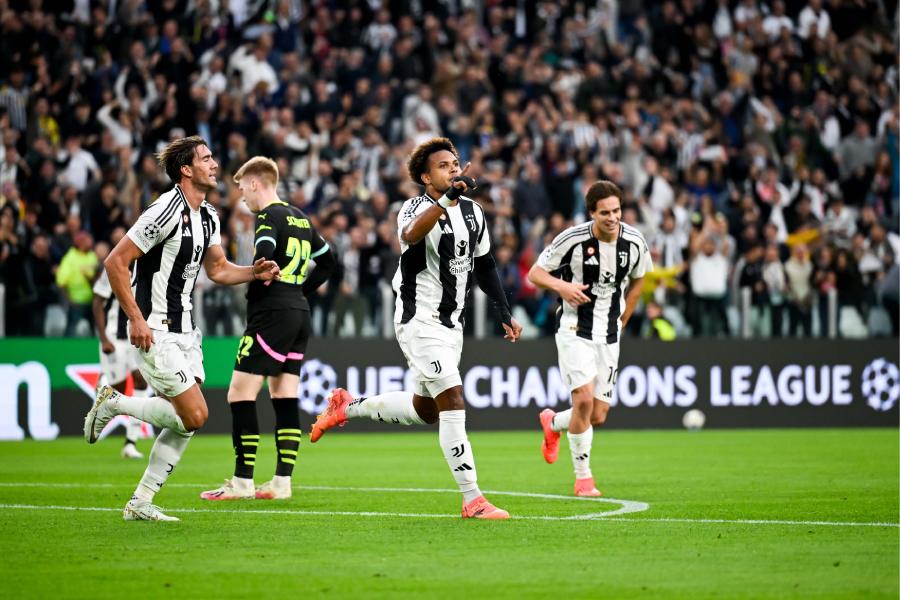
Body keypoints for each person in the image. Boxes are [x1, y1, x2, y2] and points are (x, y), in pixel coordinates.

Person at [309, 137, 522, 520]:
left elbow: (486, 263)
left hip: (451, 324)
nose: (454, 169)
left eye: (455, 163)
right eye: (444, 166)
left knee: (427, 410)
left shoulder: (474, 212)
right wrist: (446, 200)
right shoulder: (415, 206)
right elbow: (409, 235)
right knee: (453, 400)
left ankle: (348, 407)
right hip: (418, 320)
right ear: (425, 177)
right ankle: (473, 498)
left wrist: (502, 309)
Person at [82, 136, 280, 522]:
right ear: (186, 170)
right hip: (156, 327)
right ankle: (114, 403)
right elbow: (115, 263)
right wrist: (136, 318)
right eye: (206, 158)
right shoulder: (164, 209)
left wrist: (252, 273)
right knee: (195, 415)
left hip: (188, 331)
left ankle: (140, 502)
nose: (215, 164)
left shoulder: (208, 216)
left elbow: (219, 269)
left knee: (186, 422)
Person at [200, 156, 335, 501]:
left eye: (242, 186)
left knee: (239, 394)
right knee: (284, 395)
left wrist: (265, 268)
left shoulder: (268, 216)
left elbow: (265, 252)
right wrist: (298, 291)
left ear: (256, 183)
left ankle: (242, 482)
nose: (241, 195)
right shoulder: (302, 218)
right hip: (298, 312)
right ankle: (281, 483)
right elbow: (329, 262)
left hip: (272, 312)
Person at [528, 180, 652, 497]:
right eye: (605, 213)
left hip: (609, 334)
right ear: (592, 214)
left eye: (617, 211)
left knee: (597, 415)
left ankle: (553, 422)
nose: (612, 218)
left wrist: (624, 318)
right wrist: (563, 287)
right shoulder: (572, 239)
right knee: (582, 400)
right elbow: (535, 274)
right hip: (574, 329)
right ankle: (583, 479)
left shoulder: (635, 242)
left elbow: (640, 280)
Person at [91, 262, 152, 459]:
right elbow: (97, 302)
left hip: (136, 336)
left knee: (141, 380)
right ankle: (102, 384)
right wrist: (103, 338)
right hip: (114, 338)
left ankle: (130, 442)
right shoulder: (115, 267)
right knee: (115, 388)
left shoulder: (149, 268)